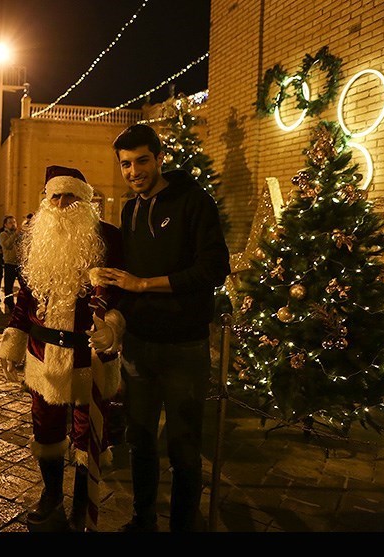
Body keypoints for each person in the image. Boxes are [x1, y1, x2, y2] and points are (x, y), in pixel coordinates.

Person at [94, 124, 231, 532]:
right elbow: (130, 276)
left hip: (184, 346)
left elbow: (214, 268)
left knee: (184, 449)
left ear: (159, 158)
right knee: (139, 441)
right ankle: (143, 520)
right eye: (125, 164)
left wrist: (144, 284)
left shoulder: (195, 202)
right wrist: (114, 295)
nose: (133, 171)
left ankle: (182, 527)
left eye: (141, 161)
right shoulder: (130, 209)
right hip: (139, 345)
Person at [0, 166, 125, 532]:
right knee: (45, 429)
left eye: (69, 196)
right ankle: (51, 494)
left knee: (89, 434)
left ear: (84, 200)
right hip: (44, 354)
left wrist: (113, 325)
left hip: (89, 355)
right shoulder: (37, 238)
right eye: (54, 196)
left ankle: (82, 502)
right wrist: (13, 343)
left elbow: (119, 291)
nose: (60, 203)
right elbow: (26, 296)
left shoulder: (108, 238)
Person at [0, 214, 19, 312]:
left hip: (19, 263)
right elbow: (7, 245)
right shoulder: (3, 235)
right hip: (9, 263)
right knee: (9, 286)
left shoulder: (18, 235)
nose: (13, 224)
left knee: (24, 285)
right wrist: (15, 235)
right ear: (5, 225)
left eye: (14, 222)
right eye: (10, 223)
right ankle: (10, 304)